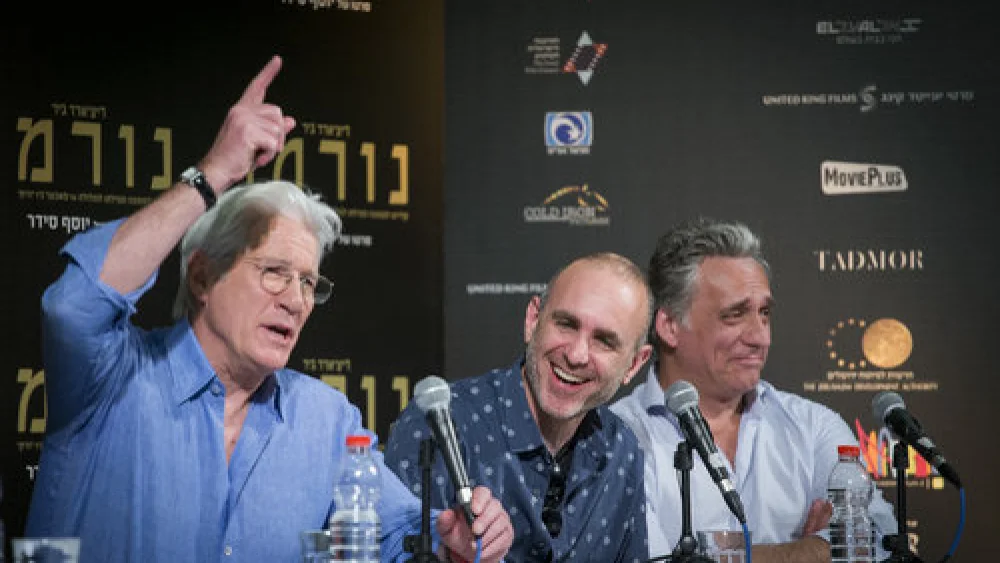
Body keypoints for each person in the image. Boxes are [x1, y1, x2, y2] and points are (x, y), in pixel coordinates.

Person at [25, 55, 512, 563]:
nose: (296, 300)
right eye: (274, 272)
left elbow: (395, 533)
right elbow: (74, 306)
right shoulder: (110, 377)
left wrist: (450, 535)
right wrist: (212, 174)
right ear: (201, 276)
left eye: (308, 282)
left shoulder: (326, 421)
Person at [611, 217, 899, 562]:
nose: (761, 337)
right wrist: (815, 551)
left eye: (764, 314)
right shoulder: (618, 437)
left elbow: (882, 539)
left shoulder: (813, 427)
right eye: (735, 315)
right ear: (670, 326)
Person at [386, 253, 655, 562]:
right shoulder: (440, 423)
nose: (578, 355)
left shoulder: (622, 448)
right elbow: (389, 550)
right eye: (566, 324)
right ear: (532, 321)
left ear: (634, 364)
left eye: (604, 341)